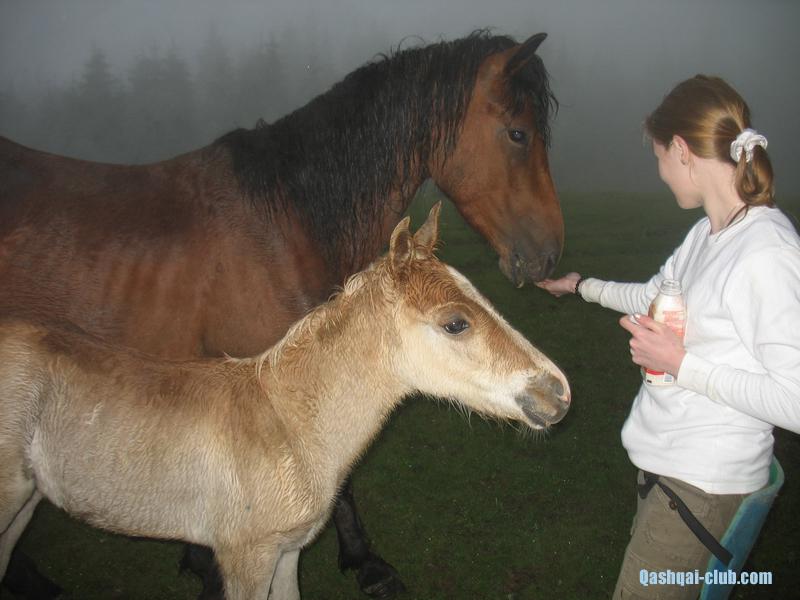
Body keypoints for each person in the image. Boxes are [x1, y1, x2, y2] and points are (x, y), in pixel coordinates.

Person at [537, 74, 800, 599]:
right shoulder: (708, 233)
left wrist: (681, 364)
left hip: (702, 486)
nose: (659, 172)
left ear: (681, 150)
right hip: (672, 474)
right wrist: (582, 286)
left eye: (659, 157)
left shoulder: (766, 252)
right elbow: (655, 295)